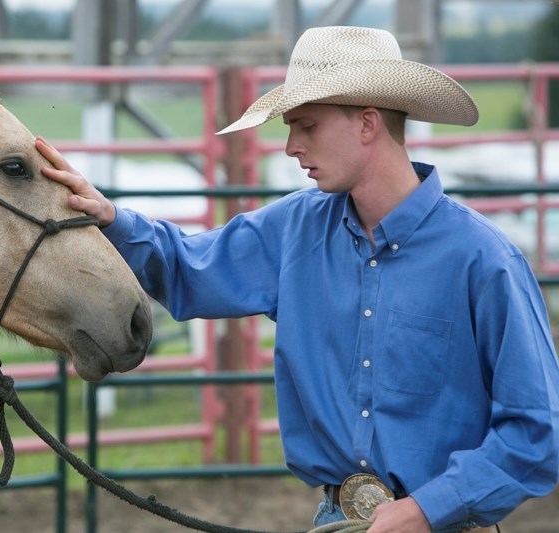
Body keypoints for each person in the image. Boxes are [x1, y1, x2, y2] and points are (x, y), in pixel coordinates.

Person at [36, 26, 559, 533]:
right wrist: (111, 217)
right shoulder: (294, 229)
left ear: (368, 124)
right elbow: (186, 269)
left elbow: (537, 432)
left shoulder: (484, 260)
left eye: (306, 126)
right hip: (338, 520)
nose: (290, 146)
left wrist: (427, 510)